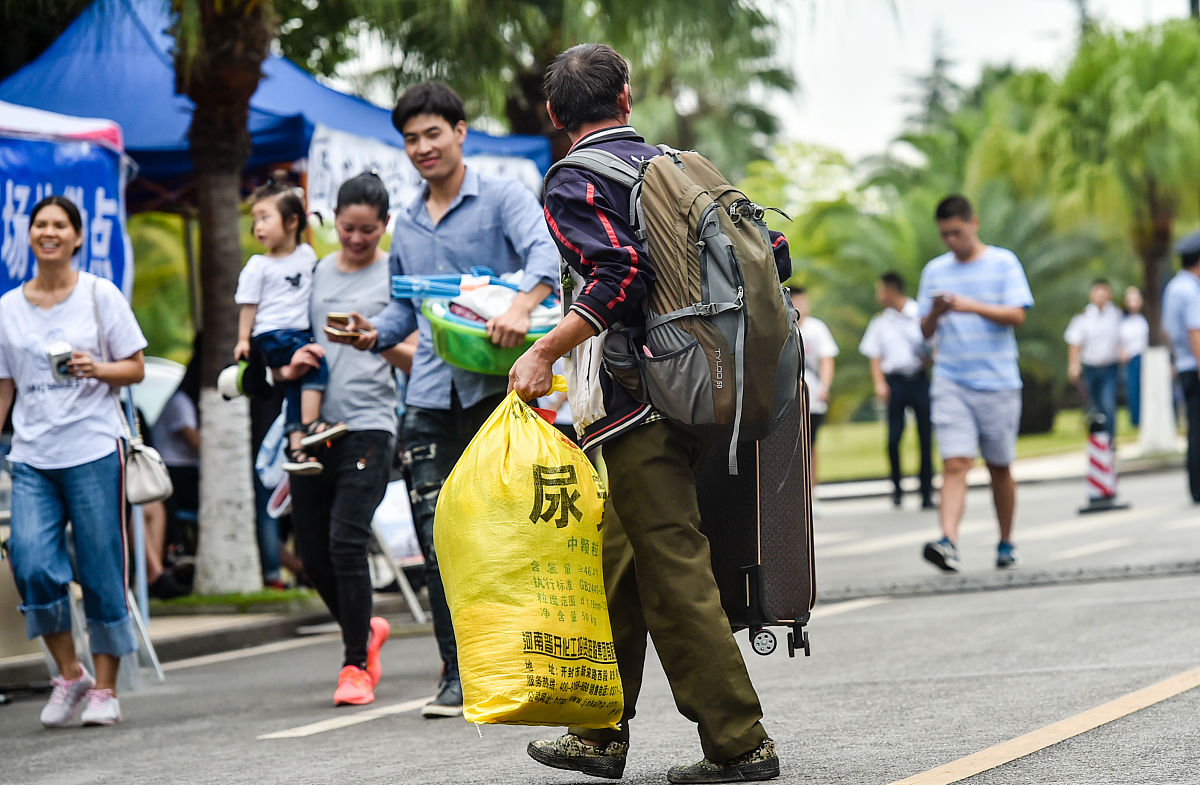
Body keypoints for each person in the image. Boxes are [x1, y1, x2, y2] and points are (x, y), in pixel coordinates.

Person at [509, 43, 781, 783]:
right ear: (625, 99)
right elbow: (773, 250)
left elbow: (619, 274)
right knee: (617, 563)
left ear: (555, 117)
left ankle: (739, 742)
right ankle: (598, 731)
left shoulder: (573, 179)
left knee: (675, 569)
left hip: (639, 405)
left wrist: (544, 351)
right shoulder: (676, 164)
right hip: (705, 388)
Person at [336, 82, 559, 718]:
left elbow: (546, 252)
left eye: (434, 133)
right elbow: (407, 306)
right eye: (411, 139)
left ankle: (521, 661)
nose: (423, 147)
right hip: (429, 395)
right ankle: (458, 673)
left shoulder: (503, 198)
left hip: (500, 391)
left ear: (460, 132)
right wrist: (372, 332)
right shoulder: (405, 222)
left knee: (505, 531)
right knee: (438, 540)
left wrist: (522, 306)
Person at [0, 195, 147, 727]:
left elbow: (134, 369)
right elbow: (4, 388)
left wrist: (96, 368)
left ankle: (105, 689)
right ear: (30, 235)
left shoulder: (98, 295)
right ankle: (70, 673)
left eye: (60, 225)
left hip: (91, 447)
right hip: (33, 455)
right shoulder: (8, 307)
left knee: (102, 568)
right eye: (40, 224)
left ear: (77, 237)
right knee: (32, 561)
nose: (49, 232)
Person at [286, 173, 397, 706]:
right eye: (348, 228)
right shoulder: (316, 272)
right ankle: (365, 627)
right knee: (311, 553)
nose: (356, 239)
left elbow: (414, 354)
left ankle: (355, 664)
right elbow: (296, 341)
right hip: (314, 428)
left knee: (346, 541)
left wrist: (372, 336)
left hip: (372, 424)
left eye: (368, 231)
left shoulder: (394, 275)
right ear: (334, 220)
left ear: (385, 227)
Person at [918, 194, 1033, 573]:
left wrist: (970, 306)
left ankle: (1006, 541)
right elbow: (924, 330)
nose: (951, 240)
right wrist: (935, 311)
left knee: (1000, 466)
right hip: (951, 379)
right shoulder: (935, 271)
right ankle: (948, 540)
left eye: (957, 232)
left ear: (974, 223)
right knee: (956, 462)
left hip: (998, 382)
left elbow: (1017, 314)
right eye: (945, 235)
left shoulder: (1004, 263)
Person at [234, 175, 345, 474]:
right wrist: (244, 339)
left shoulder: (307, 255)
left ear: (292, 222)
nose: (258, 226)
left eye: (265, 218)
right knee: (316, 363)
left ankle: (296, 449)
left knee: (297, 385)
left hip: (297, 334)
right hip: (273, 335)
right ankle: (311, 425)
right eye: (255, 220)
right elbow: (249, 305)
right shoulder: (259, 265)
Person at [859, 271, 934, 509]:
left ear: (892, 290)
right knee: (893, 438)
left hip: (919, 379)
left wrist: (929, 360)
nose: (878, 295)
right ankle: (897, 489)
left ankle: (926, 492)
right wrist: (880, 383)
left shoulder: (920, 314)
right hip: (895, 383)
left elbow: (934, 345)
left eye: (881, 290)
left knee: (925, 437)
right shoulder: (881, 322)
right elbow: (875, 355)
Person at [1160, 231, 1200, 503]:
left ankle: (1196, 488)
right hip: (1196, 366)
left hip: (1184, 365)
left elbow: (1167, 331)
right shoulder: (1192, 289)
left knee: (1194, 429)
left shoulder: (1174, 287)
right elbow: (1195, 330)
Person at [791, 286, 838, 495]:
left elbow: (826, 360)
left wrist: (825, 387)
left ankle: (812, 490)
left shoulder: (817, 328)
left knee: (810, 444)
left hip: (813, 396)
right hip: (788, 398)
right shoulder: (783, 326)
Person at [1064, 279, 1122, 440]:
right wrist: (1074, 365)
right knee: (1093, 408)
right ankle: (1097, 444)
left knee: (1108, 405)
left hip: (1110, 367)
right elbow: (1074, 342)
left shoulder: (1116, 315)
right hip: (1091, 368)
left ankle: (1110, 442)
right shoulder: (1083, 317)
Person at [1119, 285, 1149, 428]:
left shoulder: (1147, 318)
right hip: (1131, 360)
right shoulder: (1122, 320)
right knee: (1133, 390)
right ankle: (1136, 420)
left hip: (1146, 358)